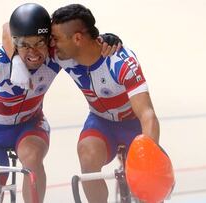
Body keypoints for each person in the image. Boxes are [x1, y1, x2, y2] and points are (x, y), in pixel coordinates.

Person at [0, 3, 121, 203]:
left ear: (49, 41)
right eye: (25, 44)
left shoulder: (55, 56)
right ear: (15, 42)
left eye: (40, 43)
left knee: (32, 157)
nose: (34, 52)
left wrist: (105, 40)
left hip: (30, 125)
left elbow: (79, 43)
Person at [49, 4, 168, 203]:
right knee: (87, 154)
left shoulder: (121, 62)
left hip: (133, 125)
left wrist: (149, 159)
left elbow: (147, 115)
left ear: (77, 38)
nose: (52, 44)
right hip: (101, 122)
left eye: (57, 38)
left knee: (148, 183)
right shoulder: (61, 56)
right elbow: (9, 30)